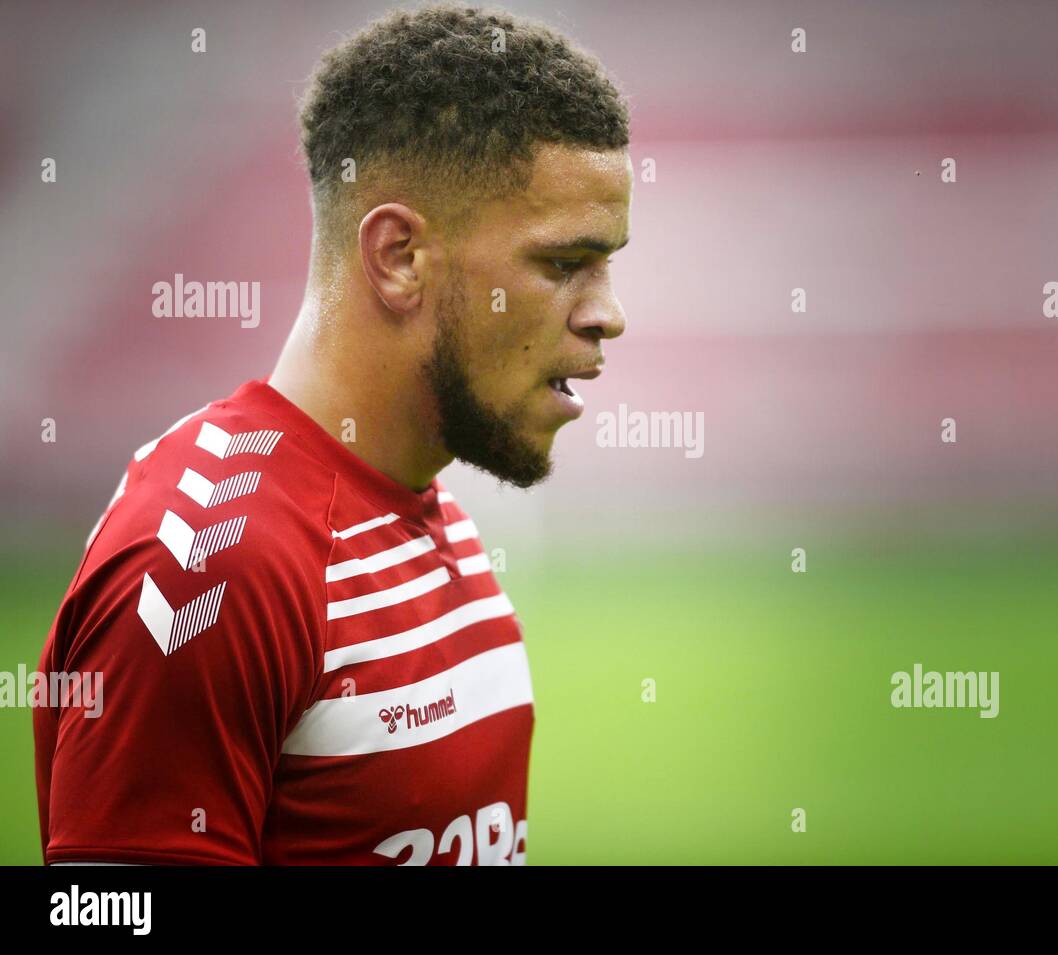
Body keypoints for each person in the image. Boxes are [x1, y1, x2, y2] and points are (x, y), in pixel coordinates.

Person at [34, 2, 632, 865]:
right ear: (398, 257)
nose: (609, 314)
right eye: (564, 263)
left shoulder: (434, 517)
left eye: (609, 262)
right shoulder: (211, 566)